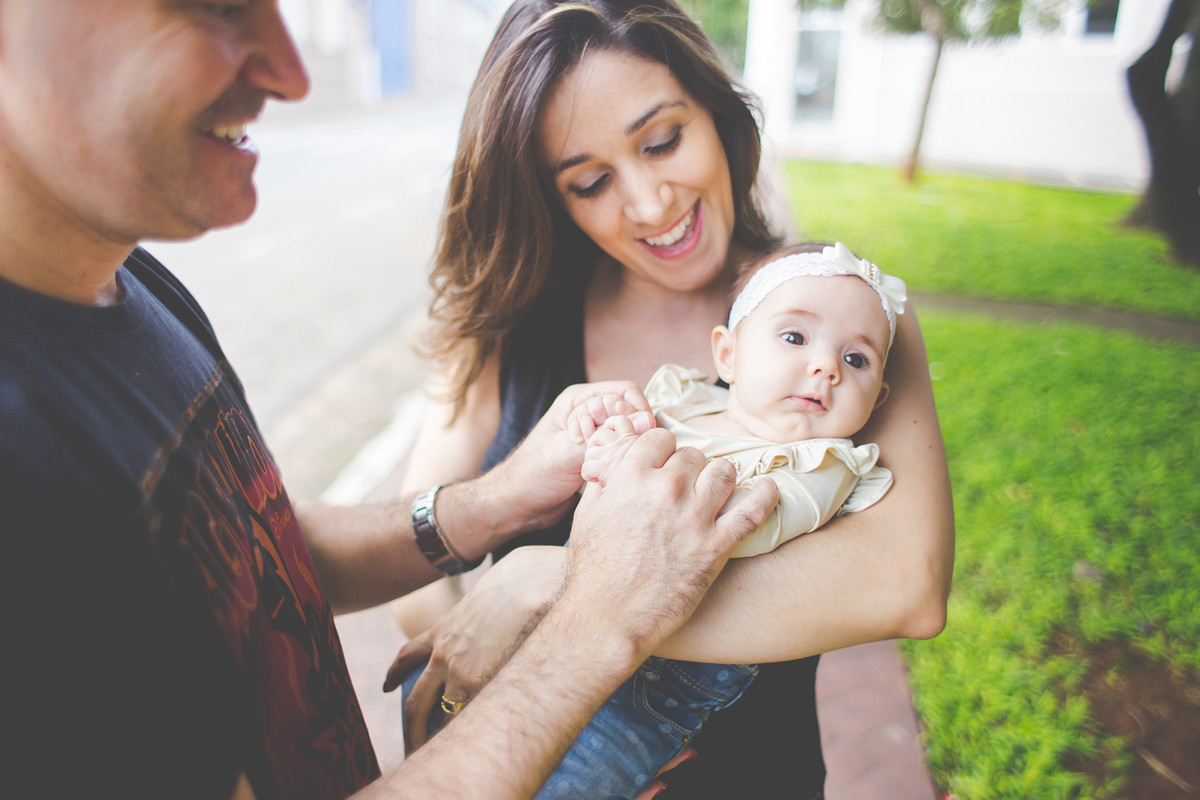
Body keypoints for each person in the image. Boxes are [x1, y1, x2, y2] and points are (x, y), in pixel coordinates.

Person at [0, 2, 781, 799]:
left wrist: (491, 504)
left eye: (661, 141)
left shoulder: (132, 286)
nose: (292, 74)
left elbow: (251, 543)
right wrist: (586, 623)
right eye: (214, 6)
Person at [386, 2, 955, 797]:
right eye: (591, 182)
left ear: (716, 114)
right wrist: (521, 705)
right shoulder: (509, 327)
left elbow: (908, 583)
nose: (650, 204)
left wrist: (550, 581)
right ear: (555, 198)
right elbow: (420, 563)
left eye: (662, 141)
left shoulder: (848, 319)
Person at [395, 241, 907, 798]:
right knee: (440, 709)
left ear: (877, 399)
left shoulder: (819, 464)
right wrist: (605, 429)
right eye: (795, 338)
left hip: (649, 688)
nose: (824, 366)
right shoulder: (684, 402)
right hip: (551, 635)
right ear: (727, 355)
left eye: (856, 359)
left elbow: (743, 529)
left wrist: (623, 468)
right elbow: (616, 443)